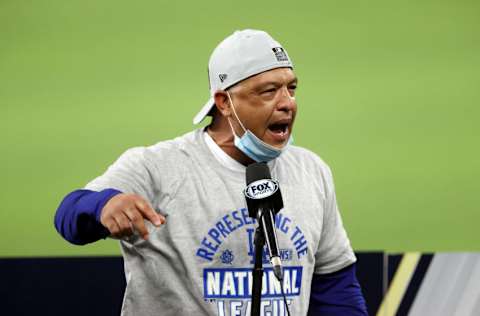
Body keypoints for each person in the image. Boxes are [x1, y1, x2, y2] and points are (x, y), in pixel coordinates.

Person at [55, 29, 368, 316]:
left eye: (292, 88)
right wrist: (103, 206)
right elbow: (69, 214)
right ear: (224, 102)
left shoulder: (311, 172)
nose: (288, 103)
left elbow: (334, 285)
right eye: (269, 91)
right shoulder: (160, 167)